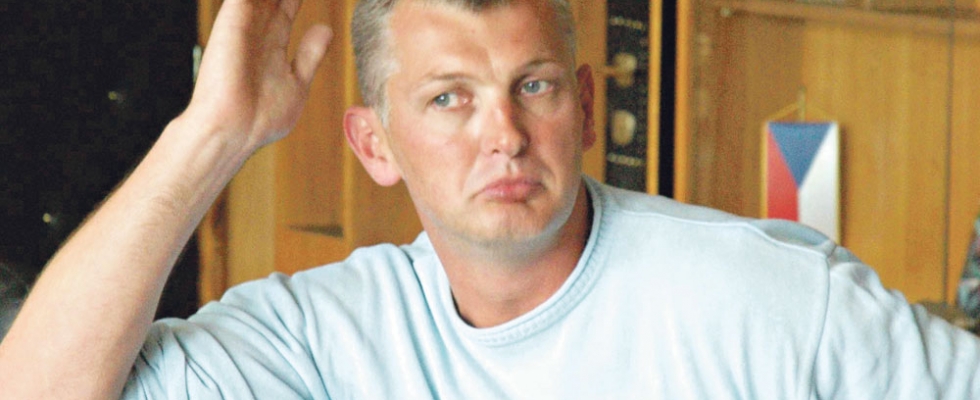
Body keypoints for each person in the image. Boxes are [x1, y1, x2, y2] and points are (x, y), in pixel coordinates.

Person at [0, 0, 978, 398]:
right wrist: (209, 136)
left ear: (582, 105)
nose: (502, 133)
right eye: (448, 99)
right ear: (374, 145)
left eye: (532, 86)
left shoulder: (772, 300)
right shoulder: (316, 341)